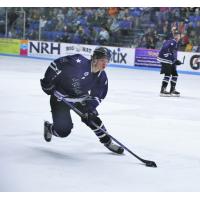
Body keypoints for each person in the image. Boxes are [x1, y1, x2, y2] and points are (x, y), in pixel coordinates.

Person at [40, 47, 124, 154]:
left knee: (93, 119)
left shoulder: (101, 76)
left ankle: (107, 142)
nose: (105, 64)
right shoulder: (78, 62)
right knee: (63, 131)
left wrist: (90, 109)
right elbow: (55, 64)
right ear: (95, 59)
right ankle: (50, 128)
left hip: (79, 97)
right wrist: (48, 82)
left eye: (107, 61)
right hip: (60, 98)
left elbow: (98, 96)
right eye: (103, 60)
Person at [157, 30, 183, 97]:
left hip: (168, 60)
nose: (180, 36)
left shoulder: (174, 42)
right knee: (167, 74)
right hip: (165, 60)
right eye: (179, 35)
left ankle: (172, 90)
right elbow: (165, 48)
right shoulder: (172, 42)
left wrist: (175, 60)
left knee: (175, 74)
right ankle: (162, 90)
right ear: (177, 36)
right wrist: (168, 57)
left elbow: (171, 52)